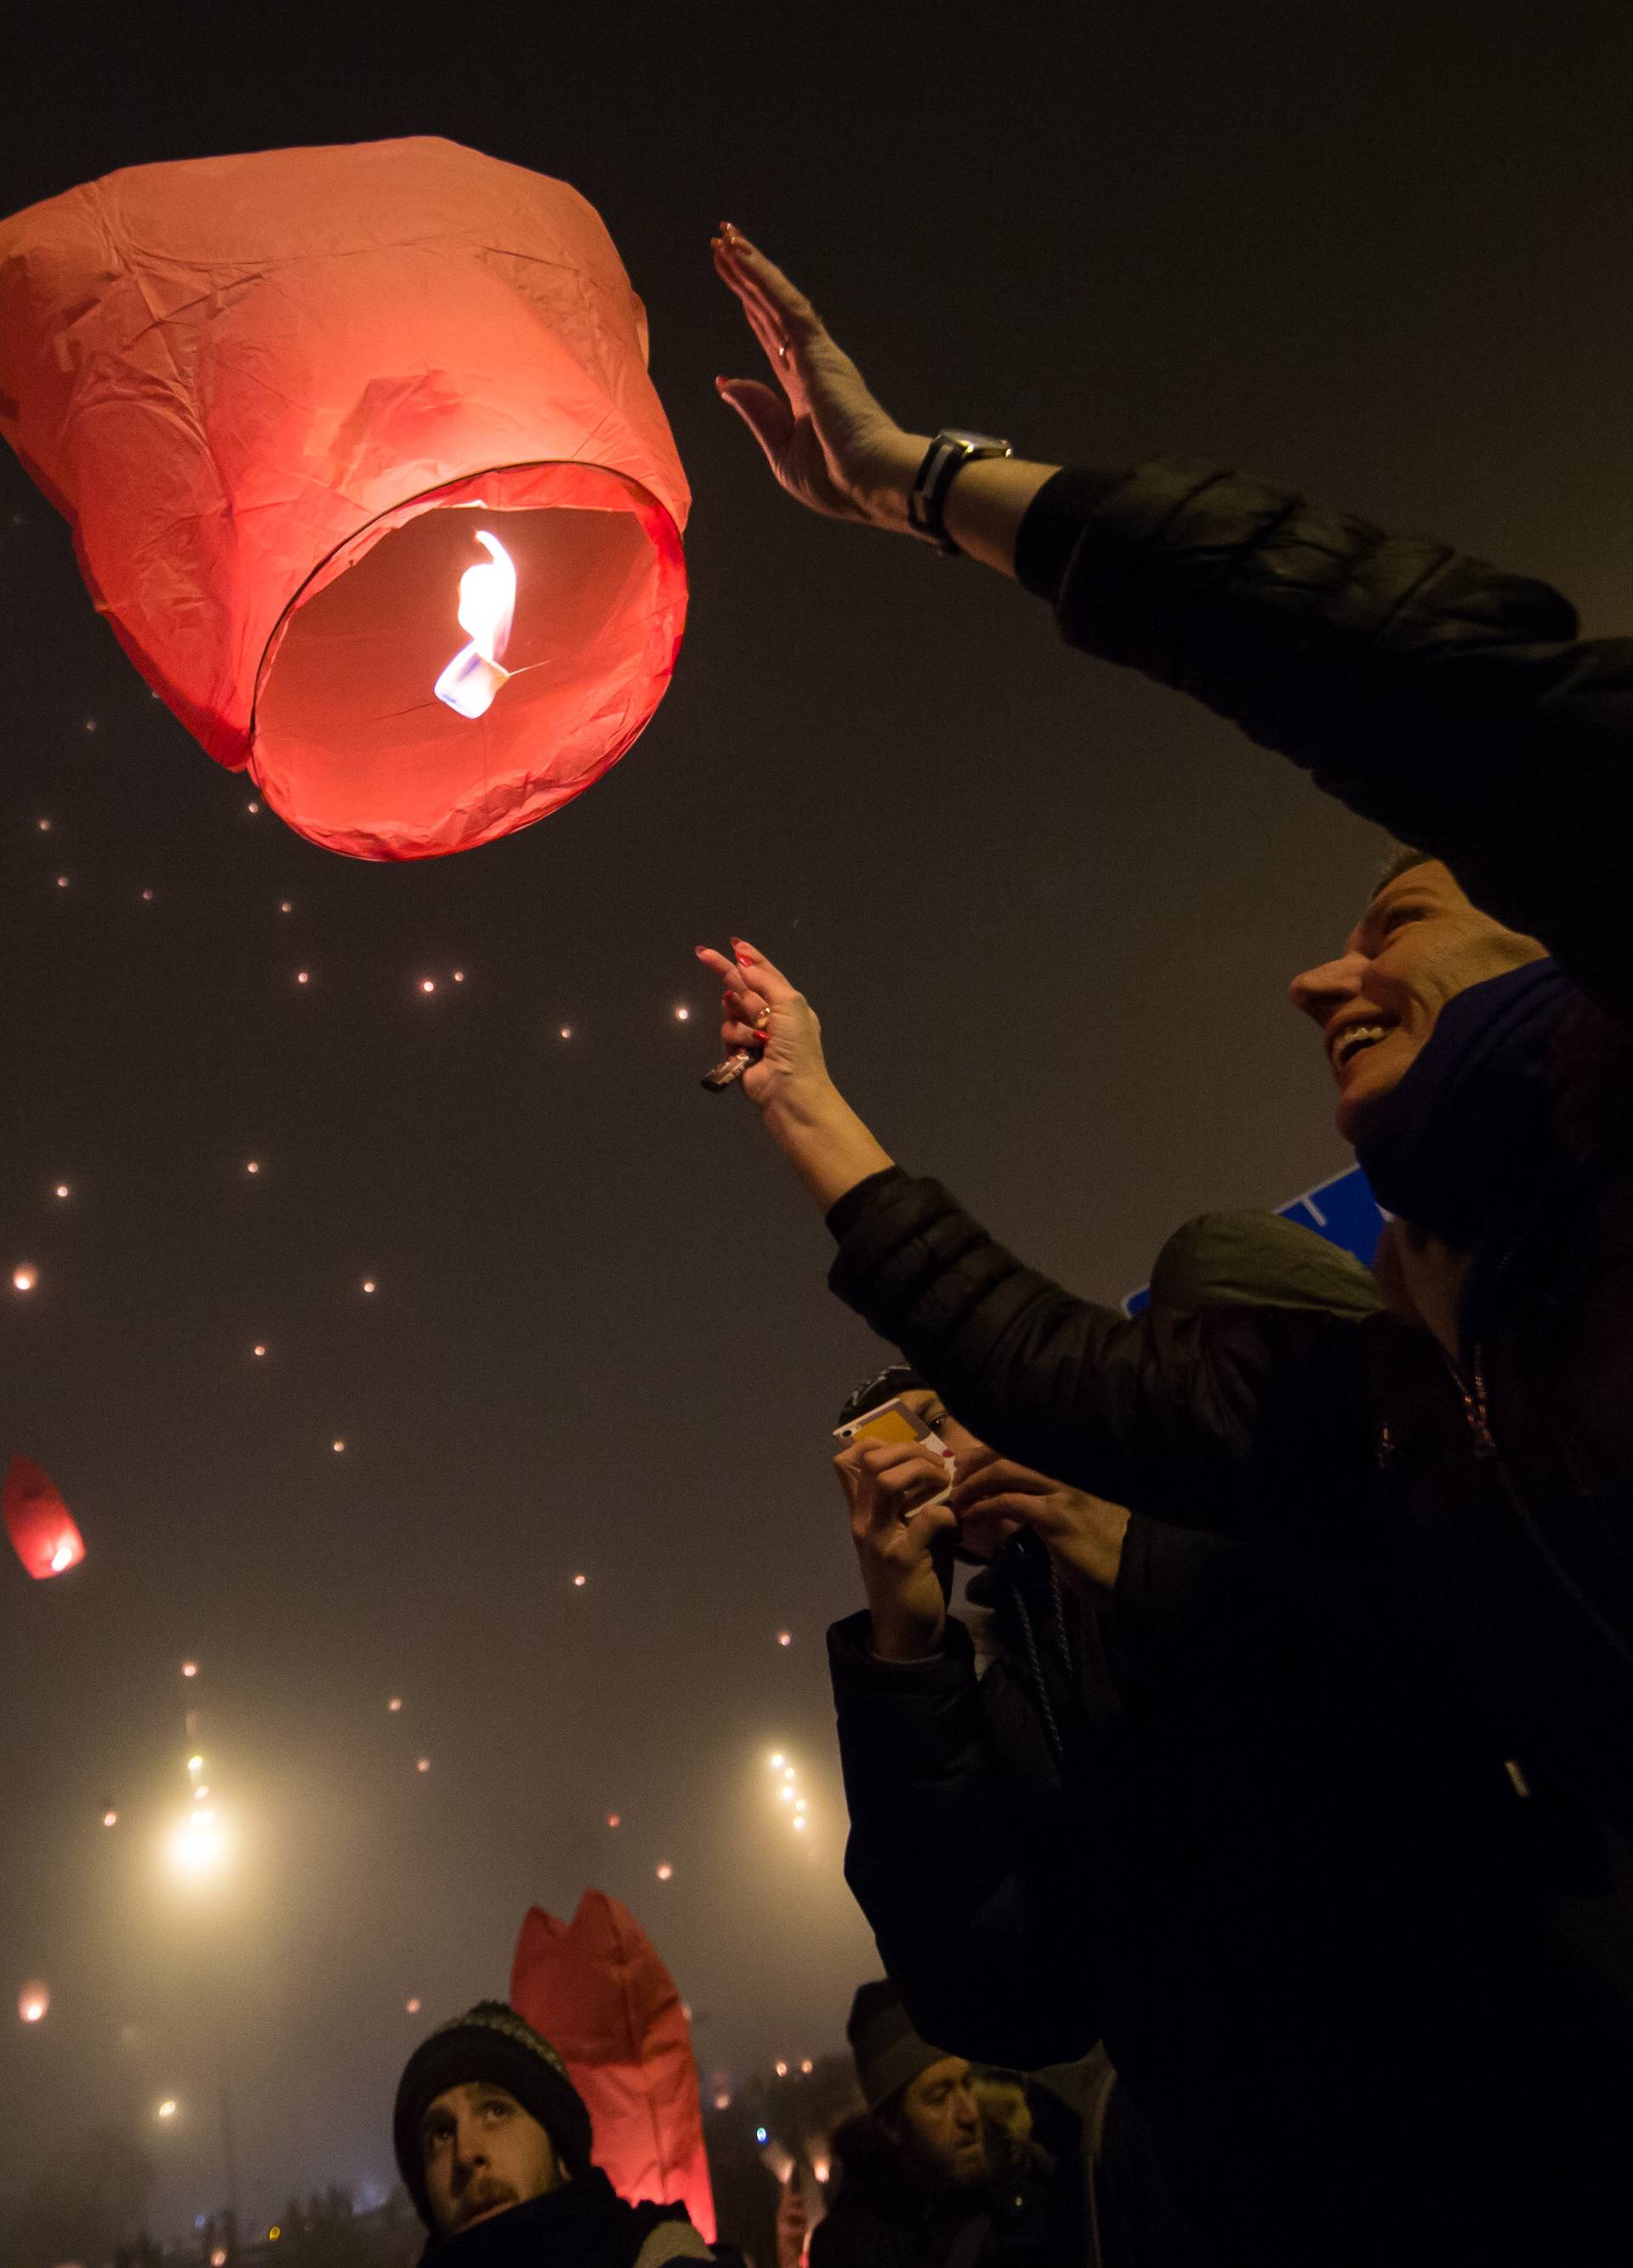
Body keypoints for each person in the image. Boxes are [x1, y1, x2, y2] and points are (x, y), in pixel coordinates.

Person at [704, 226, 1633, 1849]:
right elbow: (1061, 1369)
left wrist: (921, 483)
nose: (1311, 983)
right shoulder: (1415, 1395)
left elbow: (1444, 684)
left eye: (1391, 928)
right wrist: (810, 1104)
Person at [823, 1218, 1633, 2267]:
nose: (933, 1458)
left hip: (1521, 2151)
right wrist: (906, 1655)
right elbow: (1003, 1993)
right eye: (898, 1442)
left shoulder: (1311, 1505)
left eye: (944, 1409)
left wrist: (1140, 1560)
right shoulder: (1027, 1659)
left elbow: (1421, 1742)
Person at [393, 1999, 737, 2263]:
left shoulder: (656, 2255)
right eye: (440, 2134)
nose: (466, 2154)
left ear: (559, 2149)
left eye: (496, 2111)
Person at [810, 1981, 1074, 2268]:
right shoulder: (849, 2249)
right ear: (890, 2125)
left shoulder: (1034, 2198)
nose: (970, 2114)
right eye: (939, 2097)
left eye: (967, 2084)